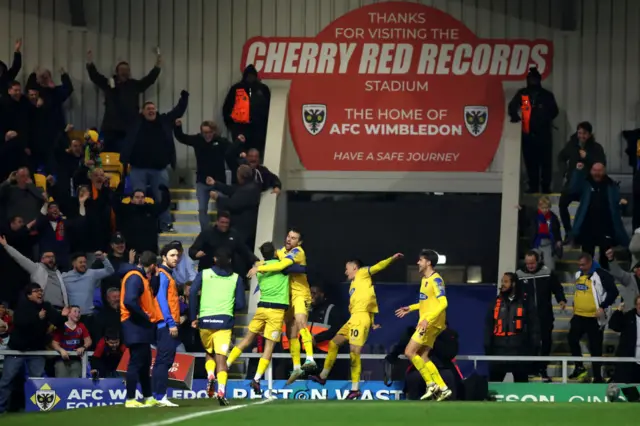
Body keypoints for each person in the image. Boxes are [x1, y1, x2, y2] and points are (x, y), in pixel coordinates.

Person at [310, 253, 402, 399]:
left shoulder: (363, 273)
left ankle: (355, 388)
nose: (345, 272)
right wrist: (372, 322)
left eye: (347, 268)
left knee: (354, 352)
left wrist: (392, 259)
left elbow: (378, 267)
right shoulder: (353, 285)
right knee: (334, 343)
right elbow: (369, 301)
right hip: (353, 319)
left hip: (361, 319)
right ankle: (323, 376)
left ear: (354, 267)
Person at [226, 242, 304, 395]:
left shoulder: (259, 267)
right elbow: (301, 269)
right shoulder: (282, 267)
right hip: (276, 311)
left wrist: (259, 266)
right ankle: (256, 378)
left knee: (247, 339)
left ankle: (226, 364)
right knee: (269, 347)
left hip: (261, 309)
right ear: (275, 252)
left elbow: (263, 266)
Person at [247, 229, 315, 383]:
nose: (289, 240)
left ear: (299, 242)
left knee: (300, 321)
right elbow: (271, 258)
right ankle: (297, 366)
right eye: (289, 236)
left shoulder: (297, 252)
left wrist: (259, 268)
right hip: (288, 296)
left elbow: (282, 265)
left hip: (300, 294)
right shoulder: (282, 251)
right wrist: (259, 263)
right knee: (291, 333)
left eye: (294, 238)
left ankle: (310, 359)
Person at [121, 91, 189, 233]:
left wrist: (184, 98)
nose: (151, 111)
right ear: (142, 112)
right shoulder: (135, 122)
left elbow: (178, 111)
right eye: (148, 109)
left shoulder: (164, 120)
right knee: (137, 198)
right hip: (138, 168)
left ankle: (165, 224)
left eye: (153, 109)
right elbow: (122, 108)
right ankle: (136, 225)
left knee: (162, 197)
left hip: (159, 169)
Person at [0, 283, 69, 414]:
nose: (40, 293)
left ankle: (36, 409)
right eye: (36, 291)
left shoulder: (46, 306)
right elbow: (19, 323)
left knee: (37, 381)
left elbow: (58, 323)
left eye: (41, 290)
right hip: (17, 350)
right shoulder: (22, 307)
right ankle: (0, 409)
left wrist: (63, 316)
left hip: (36, 350)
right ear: (28, 295)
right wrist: (37, 317)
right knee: (7, 380)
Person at [190, 247, 245, 405]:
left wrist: (194, 317)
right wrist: (227, 307)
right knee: (221, 358)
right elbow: (241, 304)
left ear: (214, 259)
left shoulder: (204, 274)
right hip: (224, 321)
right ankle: (221, 390)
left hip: (205, 320)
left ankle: (209, 374)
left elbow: (192, 292)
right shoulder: (236, 278)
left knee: (209, 351)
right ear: (229, 260)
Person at [394, 249, 451, 401]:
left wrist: (428, 319)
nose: (418, 262)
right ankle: (443, 388)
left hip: (430, 323)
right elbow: (426, 303)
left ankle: (431, 384)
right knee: (423, 356)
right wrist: (410, 308)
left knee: (409, 352)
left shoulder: (436, 280)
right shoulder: (425, 280)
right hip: (430, 322)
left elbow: (443, 302)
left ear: (428, 262)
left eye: (421, 260)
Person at [85, 49, 162, 153]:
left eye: (126, 69)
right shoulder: (109, 83)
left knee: (126, 156)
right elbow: (95, 77)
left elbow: (149, 80)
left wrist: (158, 66)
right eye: (121, 69)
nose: (124, 71)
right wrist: (90, 63)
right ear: (117, 71)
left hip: (128, 128)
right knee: (103, 154)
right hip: (109, 127)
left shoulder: (134, 85)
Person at [516, 251, 567, 382]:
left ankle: (542, 369)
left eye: (532, 263)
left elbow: (557, 288)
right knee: (530, 343)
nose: (530, 266)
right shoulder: (519, 275)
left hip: (545, 315)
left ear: (537, 261)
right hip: (527, 317)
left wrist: (561, 300)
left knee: (546, 342)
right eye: (528, 263)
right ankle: (531, 369)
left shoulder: (547, 273)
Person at [173, 118, 233, 231]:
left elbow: (233, 149)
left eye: (209, 132)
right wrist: (177, 127)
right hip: (202, 181)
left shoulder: (221, 142)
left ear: (214, 131)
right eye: (205, 132)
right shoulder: (197, 140)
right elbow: (182, 137)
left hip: (218, 181)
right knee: (202, 209)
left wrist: (241, 148)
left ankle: (223, 230)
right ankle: (206, 233)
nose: (207, 135)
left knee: (223, 208)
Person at [568, 253, 618, 382]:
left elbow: (614, 292)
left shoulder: (602, 274)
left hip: (594, 318)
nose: (581, 267)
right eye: (579, 265)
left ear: (590, 263)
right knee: (572, 338)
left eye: (583, 265)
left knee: (595, 348)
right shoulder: (578, 274)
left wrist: (603, 306)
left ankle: (597, 377)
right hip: (579, 316)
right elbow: (578, 291)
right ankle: (579, 367)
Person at [569, 162, 629, 270]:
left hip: (606, 227)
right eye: (594, 170)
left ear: (604, 171)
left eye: (599, 170)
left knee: (606, 258)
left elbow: (616, 204)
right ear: (591, 171)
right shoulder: (585, 183)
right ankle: (587, 281)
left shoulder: (611, 185)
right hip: (587, 227)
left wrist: (622, 204)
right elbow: (573, 190)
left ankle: (604, 282)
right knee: (587, 256)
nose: (597, 173)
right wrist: (577, 172)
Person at [508, 66, 559, 194]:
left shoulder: (547, 95)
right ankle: (533, 186)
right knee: (530, 163)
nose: (533, 81)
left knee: (546, 163)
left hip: (544, 135)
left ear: (539, 79)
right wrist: (515, 117)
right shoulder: (523, 94)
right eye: (531, 79)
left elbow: (554, 111)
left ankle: (546, 187)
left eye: (535, 79)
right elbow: (512, 107)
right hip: (528, 134)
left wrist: (544, 119)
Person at [120, 250, 160, 408]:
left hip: (140, 325)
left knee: (145, 362)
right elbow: (129, 301)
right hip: (134, 324)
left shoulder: (141, 278)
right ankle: (130, 399)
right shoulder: (135, 277)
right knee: (136, 362)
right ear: (152, 265)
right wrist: (145, 316)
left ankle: (148, 396)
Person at [485, 273, 539, 383]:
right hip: (498, 351)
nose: (502, 284)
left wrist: (535, 345)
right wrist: (487, 344)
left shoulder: (525, 302)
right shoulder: (495, 302)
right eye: (502, 281)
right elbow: (489, 325)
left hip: (519, 350)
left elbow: (533, 325)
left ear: (513, 284)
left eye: (505, 282)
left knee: (521, 386)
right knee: (494, 384)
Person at [557, 122, 606, 243]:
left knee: (586, 208)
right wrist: (565, 172)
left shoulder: (596, 148)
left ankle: (579, 234)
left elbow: (601, 163)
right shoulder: (571, 145)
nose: (581, 136)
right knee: (562, 204)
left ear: (589, 135)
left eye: (584, 133)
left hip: (588, 184)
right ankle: (568, 232)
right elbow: (561, 157)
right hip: (572, 182)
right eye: (579, 133)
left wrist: (587, 157)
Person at [151, 243, 181, 407]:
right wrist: (170, 322)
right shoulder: (163, 274)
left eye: (177, 255)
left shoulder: (165, 274)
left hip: (165, 323)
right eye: (172, 255)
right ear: (163, 257)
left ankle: (156, 395)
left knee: (163, 361)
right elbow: (161, 300)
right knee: (164, 360)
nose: (176, 258)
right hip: (166, 323)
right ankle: (160, 395)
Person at [222, 65, 271, 156]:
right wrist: (232, 126)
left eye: (252, 75)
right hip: (240, 128)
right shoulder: (236, 89)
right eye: (249, 75)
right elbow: (227, 109)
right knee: (240, 154)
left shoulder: (263, 89)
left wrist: (266, 127)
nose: (250, 78)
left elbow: (270, 110)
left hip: (258, 130)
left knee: (256, 155)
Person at [210, 164, 261, 248]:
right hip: (245, 226)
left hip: (243, 228)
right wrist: (215, 183)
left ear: (240, 175)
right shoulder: (250, 186)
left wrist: (218, 198)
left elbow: (233, 204)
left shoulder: (248, 190)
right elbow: (231, 190)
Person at [51, 305, 92, 378]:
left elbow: (88, 341)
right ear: (68, 313)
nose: (78, 314)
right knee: (61, 379)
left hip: (76, 359)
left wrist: (83, 347)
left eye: (79, 312)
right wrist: (61, 350)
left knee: (75, 379)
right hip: (61, 359)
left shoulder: (81, 326)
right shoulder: (61, 325)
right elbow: (54, 343)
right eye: (75, 311)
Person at [608, 295, 640, 383]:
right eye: (638, 304)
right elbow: (613, 325)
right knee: (630, 390)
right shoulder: (629, 316)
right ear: (635, 305)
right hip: (630, 361)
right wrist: (618, 311)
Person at [529, 196, 562, 271]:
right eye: (542, 208)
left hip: (548, 243)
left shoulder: (553, 217)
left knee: (550, 267)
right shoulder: (534, 216)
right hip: (536, 243)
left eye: (547, 208)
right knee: (533, 264)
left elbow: (557, 230)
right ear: (539, 207)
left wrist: (558, 240)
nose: (545, 210)